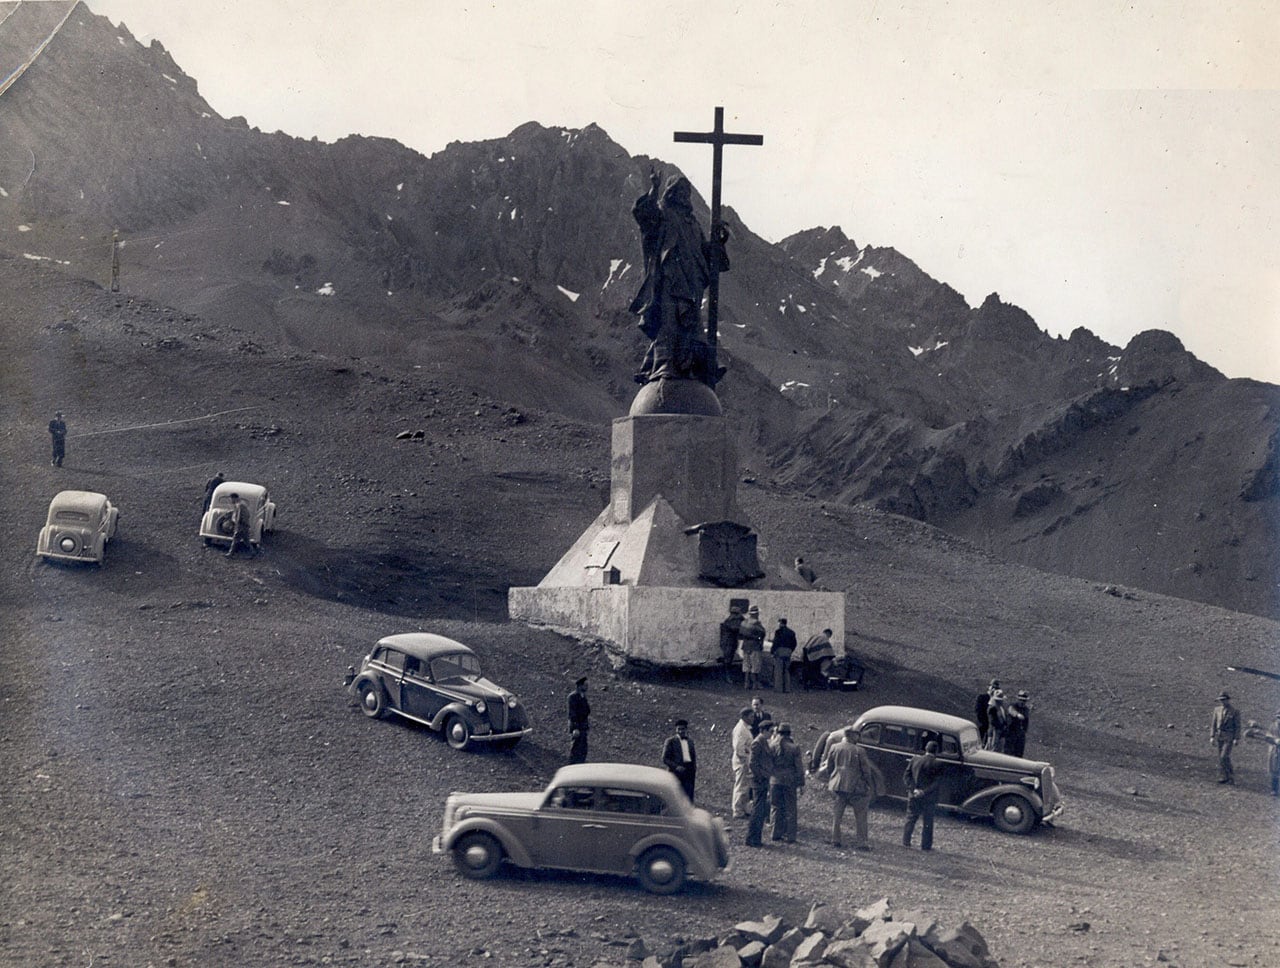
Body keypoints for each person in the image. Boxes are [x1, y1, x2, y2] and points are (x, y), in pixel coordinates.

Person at [628, 168, 730, 387]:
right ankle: (663, 369)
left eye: (687, 191)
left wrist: (718, 242)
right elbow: (644, 216)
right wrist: (654, 188)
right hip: (670, 280)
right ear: (671, 192)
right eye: (680, 190)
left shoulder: (693, 224)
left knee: (691, 328)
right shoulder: (663, 213)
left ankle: (699, 369)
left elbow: (704, 251)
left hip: (691, 284)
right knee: (669, 325)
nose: (684, 195)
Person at [820, 726, 878, 850]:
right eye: (857, 735)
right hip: (856, 787)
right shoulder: (860, 750)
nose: (859, 737)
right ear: (852, 736)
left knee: (837, 815)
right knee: (861, 815)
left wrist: (834, 778)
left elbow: (829, 767)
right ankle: (862, 843)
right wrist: (868, 784)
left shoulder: (834, 747)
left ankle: (835, 839)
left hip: (838, 786)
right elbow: (866, 771)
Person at [902, 740, 946, 851]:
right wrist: (924, 792)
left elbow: (906, 777)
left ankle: (906, 841)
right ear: (936, 751)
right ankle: (925, 846)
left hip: (913, 795)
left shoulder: (915, 759)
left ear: (925, 749)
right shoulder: (938, 764)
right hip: (928, 797)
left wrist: (913, 790)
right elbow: (937, 783)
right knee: (928, 822)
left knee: (910, 818)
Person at [769, 723, 806, 843]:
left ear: (778, 733)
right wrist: (801, 784)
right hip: (790, 781)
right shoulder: (794, 748)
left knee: (775, 807)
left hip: (775, 780)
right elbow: (799, 768)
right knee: (790, 808)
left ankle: (775, 833)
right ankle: (791, 836)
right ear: (789, 733)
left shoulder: (771, 746)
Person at [744, 719, 777, 847]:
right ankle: (752, 839)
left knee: (760, 810)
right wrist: (761, 776)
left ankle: (755, 838)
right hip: (758, 780)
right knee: (758, 811)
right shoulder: (757, 742)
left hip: (762, 779)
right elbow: (752, 763)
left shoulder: (763, 741)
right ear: (763, 731)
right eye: (770, 731)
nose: (772, 733)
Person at [1244, 710, 1280, 797]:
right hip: (1274, 750)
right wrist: (1274, 740)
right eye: (1278, 717)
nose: (1279, 719)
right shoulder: (1273, 726)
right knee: (1274, 770)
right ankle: (1274, 789)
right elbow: (1267, 738)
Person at [662, 719, 697, 801]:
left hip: (689, 771)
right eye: (679, 729)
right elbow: (664, 758)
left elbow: (693, 757)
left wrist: (693, 769)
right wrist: (676, 767)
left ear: (686, 730)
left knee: (688, 795)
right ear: (676, 730)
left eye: (683, 729)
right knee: (676, 794)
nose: (681, 731)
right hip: (676, 771)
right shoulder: (670, 741)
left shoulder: (690, 741)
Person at [1210, 691, 1240, 784]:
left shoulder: (1234, 711)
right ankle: (1225, 776)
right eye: (1221, 700)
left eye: (1224, 700)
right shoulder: (1217, 710)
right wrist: (1212, 736)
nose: (1222, 702)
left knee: (1224, 756)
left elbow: (1237, 726)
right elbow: (1213, 724)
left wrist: (1236, 738)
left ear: (1228, 700)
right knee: (1221, 758)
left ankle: (1230, 776)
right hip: (1220, 736)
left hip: (1229, 736)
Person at [730, 707, 755, 818]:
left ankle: (745, 809)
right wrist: (745, 760)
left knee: (746, 787)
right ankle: (737, 810)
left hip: (747, 760)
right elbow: (739, 748)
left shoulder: (745, 728)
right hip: (742, 761)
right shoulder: (740, 729)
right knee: (741, 786)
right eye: (751, 716)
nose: (753, 718)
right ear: (744, 717)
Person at [738, 606, 767, 690]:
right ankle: (755, 684)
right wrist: (758, 638)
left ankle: (746, 684)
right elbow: (762, 633)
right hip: (755, 646)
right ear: (756, 614)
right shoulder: (757, 623)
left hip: (746, 645)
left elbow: (740, 633)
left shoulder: (744, 622)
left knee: (746, 665)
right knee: (755, 666)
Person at [718, 604, 745, 683]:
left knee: (729, 659)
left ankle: (727, 675)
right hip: (728, 642)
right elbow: (736, 628)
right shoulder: (730, 621)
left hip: (730, 642)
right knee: (728, 660)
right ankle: (727, 676)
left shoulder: (732, 620)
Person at [224, 492, 255, 558]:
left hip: (241, 526)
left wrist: (238, 525)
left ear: (234, 498)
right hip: (242, 526)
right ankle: (252, 552)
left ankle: (230, 554)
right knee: (245, 540)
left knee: (236, 539)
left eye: (231, 499)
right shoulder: (239, 504)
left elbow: (240, 516)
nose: (231, 501)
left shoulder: (240, 505)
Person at [770, 618, 797, 693]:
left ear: (781, 623)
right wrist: (791, 650)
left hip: (780, 650)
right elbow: (794, 643)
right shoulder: (792, 632)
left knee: (778, 670)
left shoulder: (778, 632)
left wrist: (772, 651)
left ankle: (779, 688)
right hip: (788, 651)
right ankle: (787, 688)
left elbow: (776, 642)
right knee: (786, 670)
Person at [568, 676, 591, 764]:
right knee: (576, 749)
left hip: (583, 727)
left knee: (583, 749)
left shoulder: (583, 697)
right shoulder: (573, 697)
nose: (587, 687)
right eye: (585, 685)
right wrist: (575, 728)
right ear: (579, 685)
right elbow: (572, 713)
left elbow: (587, 711)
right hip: (577, 727)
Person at [1006, 690, 1032, 758]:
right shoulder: (1013, 706)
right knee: (1009, 752)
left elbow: (1026, 720)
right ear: (1018, 699)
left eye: (1024, 701)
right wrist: (1017, 715)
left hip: (1020, 734)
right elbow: (1011, 711)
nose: (1022, 702)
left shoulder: (1026, 709)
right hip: (1011, 732)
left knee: (1019, 752)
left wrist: (1024, 731)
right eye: (1021, 700)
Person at [975, 679, 1000, 743]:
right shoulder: (981, 698)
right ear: (989, 687)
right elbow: (978, 712)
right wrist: (984, 723)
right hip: (982, 726)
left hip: (990, 730)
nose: (994, 689)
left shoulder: (997, 702)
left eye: (996, 688)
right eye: (993, 687)